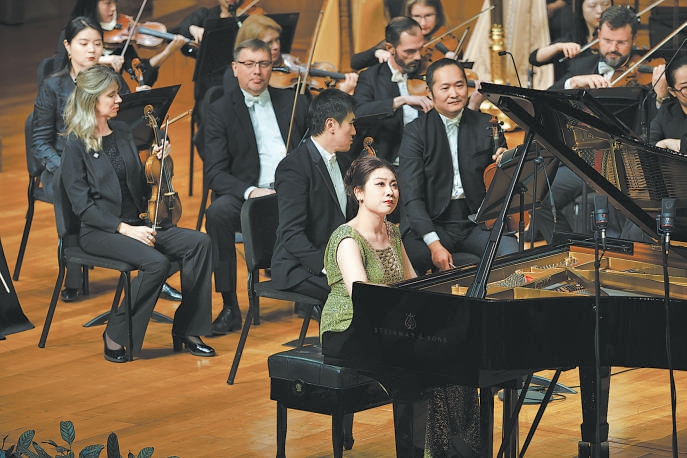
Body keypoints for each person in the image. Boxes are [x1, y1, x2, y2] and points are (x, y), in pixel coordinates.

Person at [60, 65, 215, 362]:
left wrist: (158, 158)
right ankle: (115, 333)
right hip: (101, 231)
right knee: (157, 263)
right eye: (112, 95)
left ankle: (189, 330)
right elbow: (83, 208)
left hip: (139, 223)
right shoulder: (75, 145)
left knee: (200, 243)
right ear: (92, 100)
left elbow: (139, 182)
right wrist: (124, 229)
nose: (120, 99)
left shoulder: (121, 131)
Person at [203, 39, 309, 335]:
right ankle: (229, 306)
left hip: (292, 192)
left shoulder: (293, 100)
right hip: (252, 197)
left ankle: (310, 292)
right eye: (249, 64)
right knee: (218, 213)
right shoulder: (219, 110)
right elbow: (215, 173)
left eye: (263, 64)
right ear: (235, 68)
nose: (257, 71)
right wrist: (252, 191)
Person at [33, 16, 131, 303]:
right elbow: (40, 141)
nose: (92, 50)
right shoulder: (53, 86)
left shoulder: (112, 80)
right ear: (67, 46)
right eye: (84, 43)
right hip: (62, 163)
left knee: (133, 181)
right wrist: (64, 168)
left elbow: (127, 125)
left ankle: (147, 260)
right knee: (67, 189)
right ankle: (73, 270)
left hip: (105, 160)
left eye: (98, 44)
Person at [398, 57, 519, 276]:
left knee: (510, 250)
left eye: (459, 85)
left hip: (476, 222)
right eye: (445, 88)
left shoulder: (487, 124)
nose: (454, 93)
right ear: (430, 92)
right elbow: (411, 196)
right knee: (415, 255)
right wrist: (434, 244)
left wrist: (506, 164)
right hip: (433, 222)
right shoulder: (416, 132)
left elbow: (502, 184)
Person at [271, 89, 357, 305]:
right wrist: (331, 268)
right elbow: (291, 234)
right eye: (351, 123)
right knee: (358, 295)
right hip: (300, 267)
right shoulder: (293, 167)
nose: (354, 131)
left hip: (336, 258)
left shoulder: (344, 161)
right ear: (331, 125)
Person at [55, 0, 187, 90]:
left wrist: (168, 52)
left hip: (111, 101)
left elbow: (141, 71)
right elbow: (62, 70)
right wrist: (103, 60)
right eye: (108, 3)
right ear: (92, 4)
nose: (113, 8)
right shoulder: (71, 32)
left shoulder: (120, 37)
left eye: (115, 2)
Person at [352, 16, 431, 166]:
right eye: (409, 51)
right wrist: (401, 100)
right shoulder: (371, 77)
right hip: (388, 163)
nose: (418, 56)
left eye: (420, 49)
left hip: (425, 162)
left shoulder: (428, 73)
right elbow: (358, 112)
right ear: (390, 48)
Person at [222, 14, 358, 95]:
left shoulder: (287, 60)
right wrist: (337, 95)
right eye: (269, 43)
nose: (276, 46)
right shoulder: (239, 77)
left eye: (277, 40)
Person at [351, 0, 454, 71]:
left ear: (438, 15)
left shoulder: (448, 40)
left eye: (428, 15)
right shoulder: (400, 39)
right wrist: (376, 53)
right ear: (409, 16)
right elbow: (355, 63)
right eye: (417, 16)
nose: (423, 22)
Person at [529, 0, 613, 81]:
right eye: (592, 5)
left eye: (605, 4)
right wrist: (558, 47)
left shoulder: (617, 38)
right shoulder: (574, 38)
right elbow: (535, 58)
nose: (600, 10)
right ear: (581, 8)